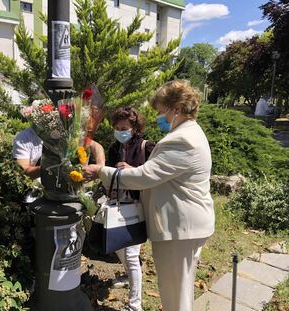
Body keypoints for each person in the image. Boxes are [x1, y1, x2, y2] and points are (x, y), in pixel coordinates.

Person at [84, 80, 215, 311]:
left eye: (160, 111)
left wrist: (101, 171)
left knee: (176, 295)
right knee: (177, 290)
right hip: (181, 226)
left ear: (176, 108)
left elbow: (145, 176)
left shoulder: (182, 139)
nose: (158, 117)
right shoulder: (187, 132)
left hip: (180, 229)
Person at [107, 107, 154, 311]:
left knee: (132, 255)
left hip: (138, 205)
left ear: (134, 128)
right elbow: (107, 173)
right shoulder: (113, 149)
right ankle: (128, 275)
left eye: (124, 128)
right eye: (117, 128)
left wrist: (132, 171)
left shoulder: (147, 147)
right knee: (117, 245)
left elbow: (155, 175)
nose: (120, 131)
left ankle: (135, 306)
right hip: (118, 204)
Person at [12, 127, 106, 180]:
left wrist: (100, 166)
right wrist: (53, 167)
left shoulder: (64, 130)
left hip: (71, 188)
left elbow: (95, 146)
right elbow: (23, 172)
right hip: (39, 193)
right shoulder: (24, 138)